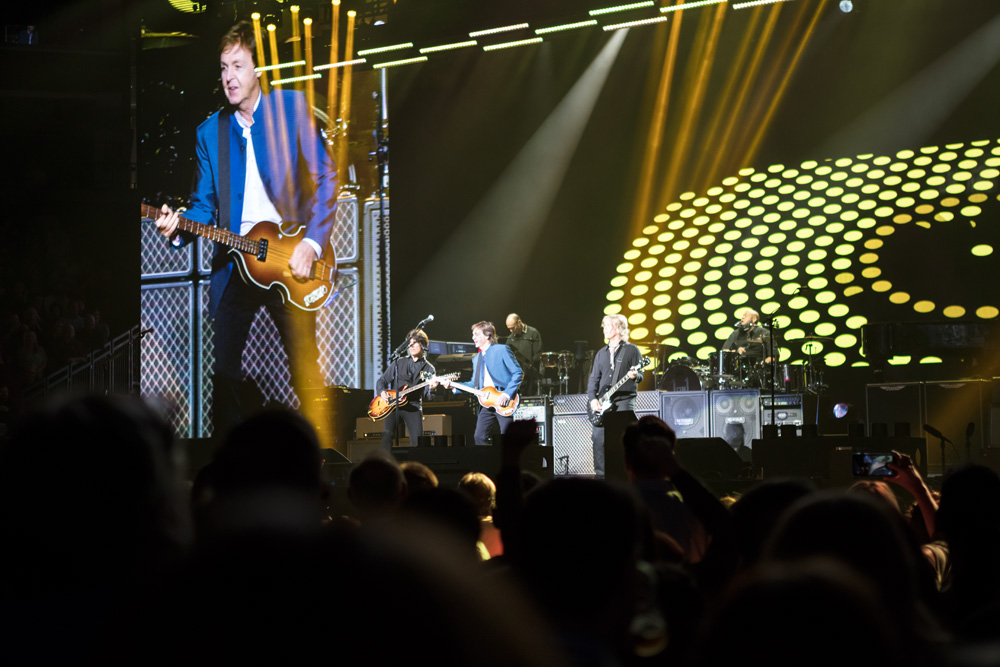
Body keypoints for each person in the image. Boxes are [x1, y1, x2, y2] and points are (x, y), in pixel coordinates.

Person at [154, 21, 336, 436]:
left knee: (305, 368)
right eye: (223, 68)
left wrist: (311, 242)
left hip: (290, 259)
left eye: (237, 66)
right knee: (224, 373)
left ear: (259, 70)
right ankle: (227, 471)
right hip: (236, 261)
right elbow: (203, 205)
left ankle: (323, 460)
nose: (228, 77)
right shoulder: (209, 132)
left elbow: (328, 178)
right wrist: (178, 227)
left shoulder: (291, 109)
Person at [441, 321, 523, 445]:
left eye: (476, 334)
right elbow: (474, 385)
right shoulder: (476, 359)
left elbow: (518, 373)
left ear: (487, 335)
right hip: (486, 402)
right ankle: (487, 463)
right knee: (479, 437)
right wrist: (453, 386)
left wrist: (506, 394)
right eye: (473, 334)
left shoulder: (501, 349)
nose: (473, 338)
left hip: (504, 401)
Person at [587, 314, 643, 478]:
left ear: (618, 328)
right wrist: (593, 400)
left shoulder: (631, 350)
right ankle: (601, 479)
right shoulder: (600, 354)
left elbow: (641, 375)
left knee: (625, 443)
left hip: (624, 404)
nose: (604, 330)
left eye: (607, 326)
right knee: (599, 441)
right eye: (603, 326)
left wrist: (635, 376)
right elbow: (593, 381)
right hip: (603, 406)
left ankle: (628, 479)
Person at [376, 329, 435, 451]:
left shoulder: (429, 368)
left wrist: (432, 388)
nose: (411, 346)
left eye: (415, 343)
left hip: (413, 406)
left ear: (423, 345)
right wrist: (382, 392)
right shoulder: (399, 362)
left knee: (418, 441)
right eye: (409, 343)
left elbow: (428, 396)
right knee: (386, 436)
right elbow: (381, 381)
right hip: (393, 405)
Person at [504, 313, 542, 391]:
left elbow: (538, 354)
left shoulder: (533, 333)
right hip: (516, 376)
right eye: (509, 329)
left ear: (519, 322)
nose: (511, 331)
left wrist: (529, 364)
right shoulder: (510, 338)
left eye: (513, 328)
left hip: (531, 374)